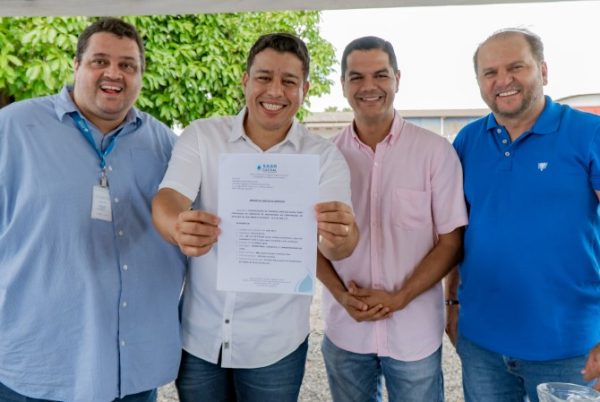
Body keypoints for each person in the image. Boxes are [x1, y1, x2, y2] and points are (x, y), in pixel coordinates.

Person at [151, 32, 358, 402]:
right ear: (245, 80)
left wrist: (341, 237)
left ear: (305, 89)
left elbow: (337, 245)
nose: (275, 91)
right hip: (201, 335)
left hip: (276, 342)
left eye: (289, 81)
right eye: (264, 77)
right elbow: (169, 198)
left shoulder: (324, 157)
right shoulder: (202, 136)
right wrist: (176, 227)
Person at [0, 17, 186, 402]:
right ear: (76, 65)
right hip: (36, 368)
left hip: (130, 373)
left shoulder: (167, 145)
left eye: (128, 65)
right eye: (100, 61)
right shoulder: (13, 128)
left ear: (141, 75)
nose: (114, 73)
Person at [447, 27, 600, 402]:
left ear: (543, 70)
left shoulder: (589, 133)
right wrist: (451, 304)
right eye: (490, 72)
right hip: (481, 346)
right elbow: (457, 232)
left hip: (571, 349)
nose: (503, 80)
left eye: (516, 67)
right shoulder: (467, 141)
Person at [316, 36, 467, 402]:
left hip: (413, 332)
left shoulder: (435, 152)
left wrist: (400, 298)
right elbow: (305, 241)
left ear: (397, 79)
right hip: (345, 332)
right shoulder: (323, 157)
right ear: (343, 84)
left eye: (380, 75)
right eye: (356, 77)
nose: (369, 86)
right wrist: (341, 296)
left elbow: (451, 242)